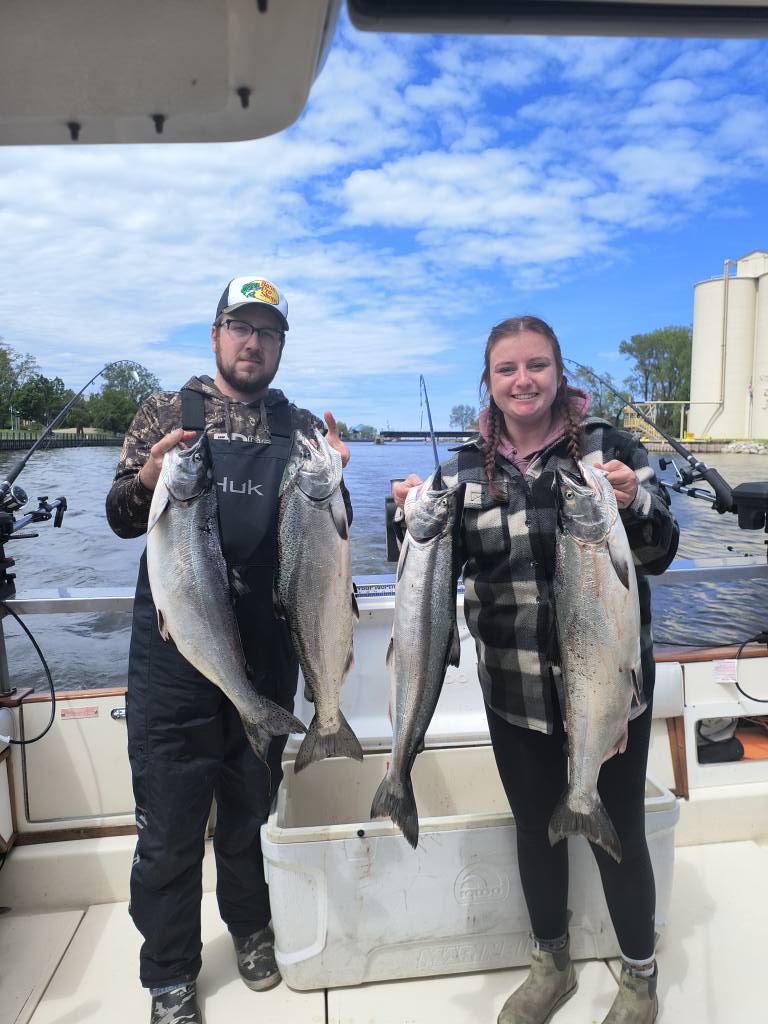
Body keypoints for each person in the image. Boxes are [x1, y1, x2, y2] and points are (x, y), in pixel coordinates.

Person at [392, 316, 678, 1024]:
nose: (524, 381)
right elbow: (425, 565)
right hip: (513, 692)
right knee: (534, 831)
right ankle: (552, 964)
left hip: (611, 690)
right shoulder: (459, 469)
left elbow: (662, 548)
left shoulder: (609, 448)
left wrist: (634, 500)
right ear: (486, 383)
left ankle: (639, 977)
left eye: (537, 366)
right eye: (507, 370)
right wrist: (401, 515)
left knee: (624, 834)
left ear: (559, 372)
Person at [106, 275, 350, 1024]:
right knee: (172, 823)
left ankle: (251, 929)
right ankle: (171, 973)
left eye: (268, 332)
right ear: (215, 334)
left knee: (248, 808)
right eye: (241, 328)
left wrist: (338, 481)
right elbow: (120, 516)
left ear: (280, 345)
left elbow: (328, 542)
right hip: (176, 650)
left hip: (268, 642)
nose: (254, 342)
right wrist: (149, 474)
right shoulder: (164, 412)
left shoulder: (300, 425)